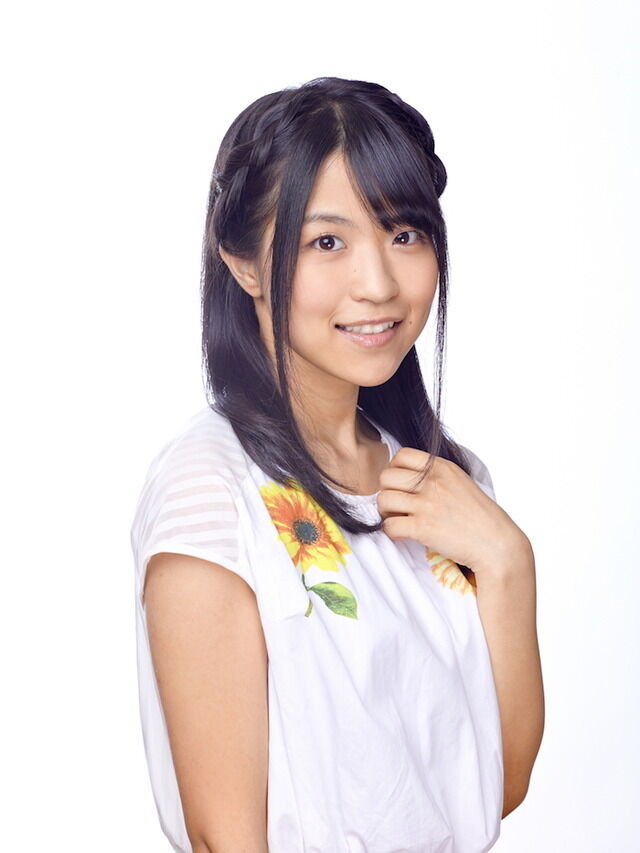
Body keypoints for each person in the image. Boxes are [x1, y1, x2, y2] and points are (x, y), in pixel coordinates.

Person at [129, 76, 544, 853]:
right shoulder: (211, 491)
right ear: (244, 263)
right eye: (327, 242)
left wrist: (508, 559)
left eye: (405, 234)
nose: (379, 283)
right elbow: (227, 838)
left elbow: (497, 782)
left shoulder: (446, 482)